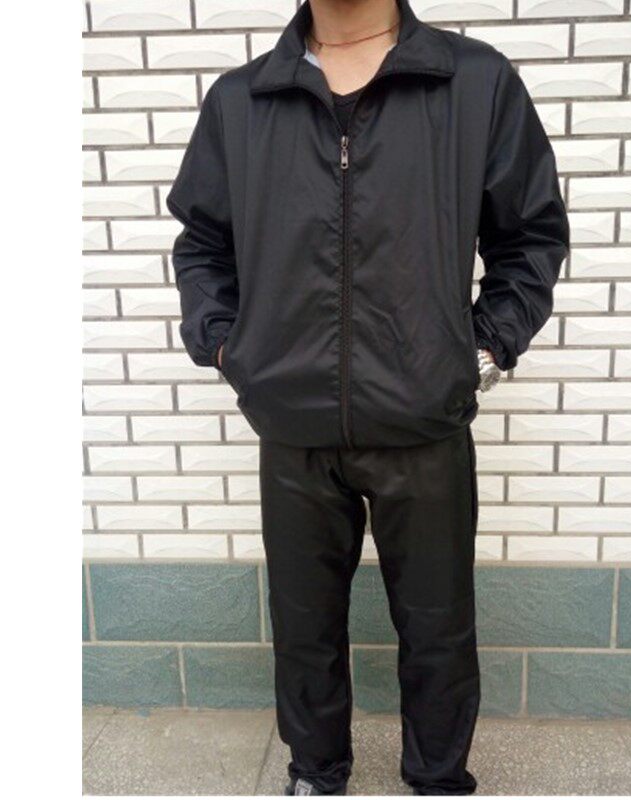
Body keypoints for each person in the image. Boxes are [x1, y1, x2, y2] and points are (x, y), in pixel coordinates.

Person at [167, 0, 569, 794]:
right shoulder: (242, 100)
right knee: (303, 626)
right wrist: (225, 343)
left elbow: (530, 235)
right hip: (292, 423)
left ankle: (438, 778)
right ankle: (316, 772)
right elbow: (203, 242)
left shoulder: (473, 82)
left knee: (438, 627)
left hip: (424, 421)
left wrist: (483, 349)